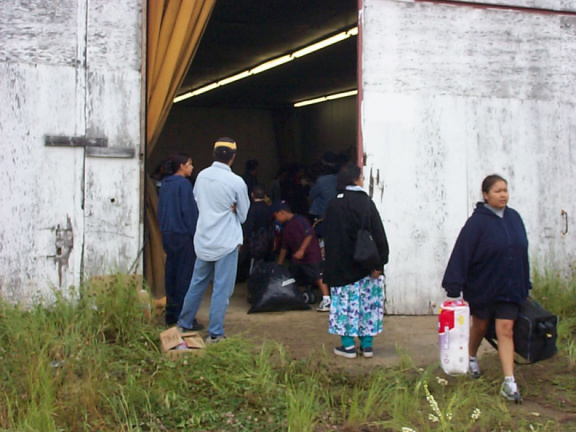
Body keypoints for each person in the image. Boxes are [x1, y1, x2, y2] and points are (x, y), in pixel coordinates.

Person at [442, 174, 530, 403]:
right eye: (498, 191)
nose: (503, 195)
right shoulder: (477, 223)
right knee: (480, 325)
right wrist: (454, 285)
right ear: (486, 195)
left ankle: (509, 382)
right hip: (484, 286)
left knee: (506, 329)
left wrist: (525, 281)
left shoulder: (514, 218)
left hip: (510, 287)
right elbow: (462, 253)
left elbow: (522, 252)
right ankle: (471, 356)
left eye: (505, 190)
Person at [177, 137, 250, 343]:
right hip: (226, 242)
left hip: (204, 240)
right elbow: (243, 216)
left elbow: (198, 201)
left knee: (197, 284)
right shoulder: (237, 182)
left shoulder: (201, 176)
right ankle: (215, 333)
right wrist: (233, 209)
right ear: (233, 157)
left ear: (213, 154)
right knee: (221, 290)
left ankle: (183, 325)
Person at [323, 162, 389, 359]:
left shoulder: (333, 204)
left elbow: (329, 237)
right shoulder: (366, 203)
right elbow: (378, 234)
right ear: (356, 179)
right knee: (367, 305)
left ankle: (348, 345)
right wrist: (380, 263)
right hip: (366, 265)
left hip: (342, 267)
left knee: (345, 306)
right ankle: (367, 346)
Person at [157, 153, 202, 328]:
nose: (192, 167)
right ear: (182, 166)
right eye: (190, 164)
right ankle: (186, 318)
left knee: (171, 274)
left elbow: (160, 211)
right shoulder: (183, 184)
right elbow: (189, 212)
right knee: (185, 277)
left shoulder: (165, 184)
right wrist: (195, 234)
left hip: (168, 234)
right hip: (183, 236)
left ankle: (171, 314)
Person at [271, 200, 331, 312]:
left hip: (310, 254)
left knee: (318, 275)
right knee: (294, 276)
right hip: (297, 257)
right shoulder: (285, 226)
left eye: (276, 216)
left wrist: (302, 250)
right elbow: (284, 246)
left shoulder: (300, 220)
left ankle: (326, 299)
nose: (276, 220)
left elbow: (309, 234)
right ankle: (301, 295)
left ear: (282, 212)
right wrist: (279, 263)